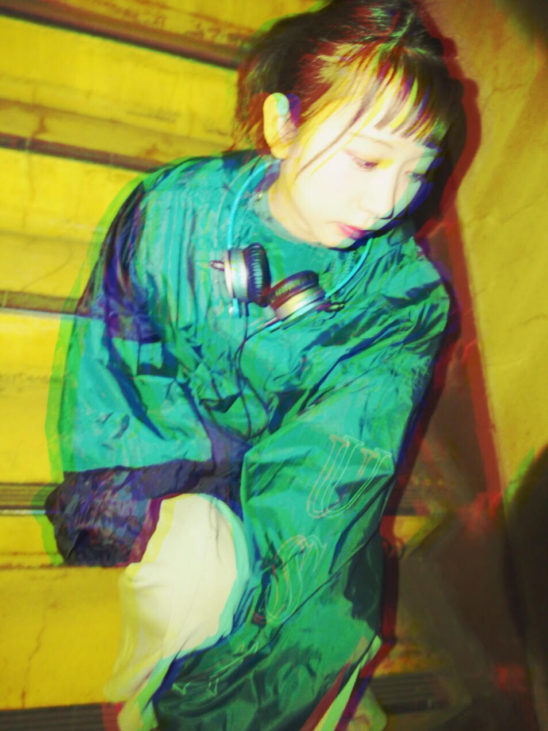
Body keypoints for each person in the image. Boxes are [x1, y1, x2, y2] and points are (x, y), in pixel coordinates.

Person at [45, 0, 466, 728]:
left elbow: (326, 492)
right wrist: (124, 503)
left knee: (324, 643)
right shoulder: (176, 209)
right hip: (183, 464)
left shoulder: (401, 301)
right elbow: (120, 355)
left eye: (415, 172)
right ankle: (145, 698)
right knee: (196, 569)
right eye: (368, 159)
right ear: (283, 125)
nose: (387, 201)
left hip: (302, 497)